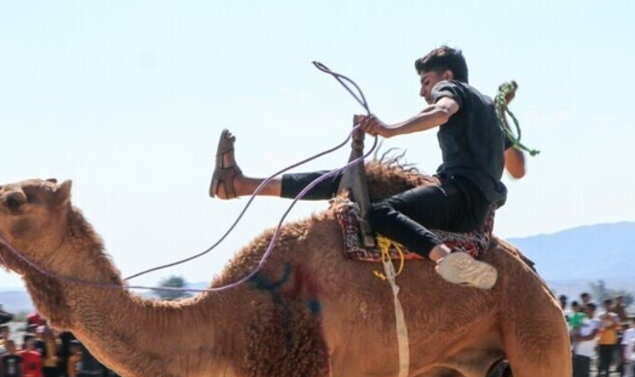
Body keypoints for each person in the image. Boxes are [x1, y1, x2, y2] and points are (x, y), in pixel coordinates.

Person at [208, 45, 527, 290]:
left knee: (376, 213)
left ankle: (445, 258)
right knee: (352, 180)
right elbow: (519, 169)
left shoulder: (453, 90)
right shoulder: (487, 108)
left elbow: (443, 111)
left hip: (456, 196)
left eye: (426, 82)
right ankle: (242, 184)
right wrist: (500, 123)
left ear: (446, 77)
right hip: (475, 207)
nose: (422, 92)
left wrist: (389, 129)